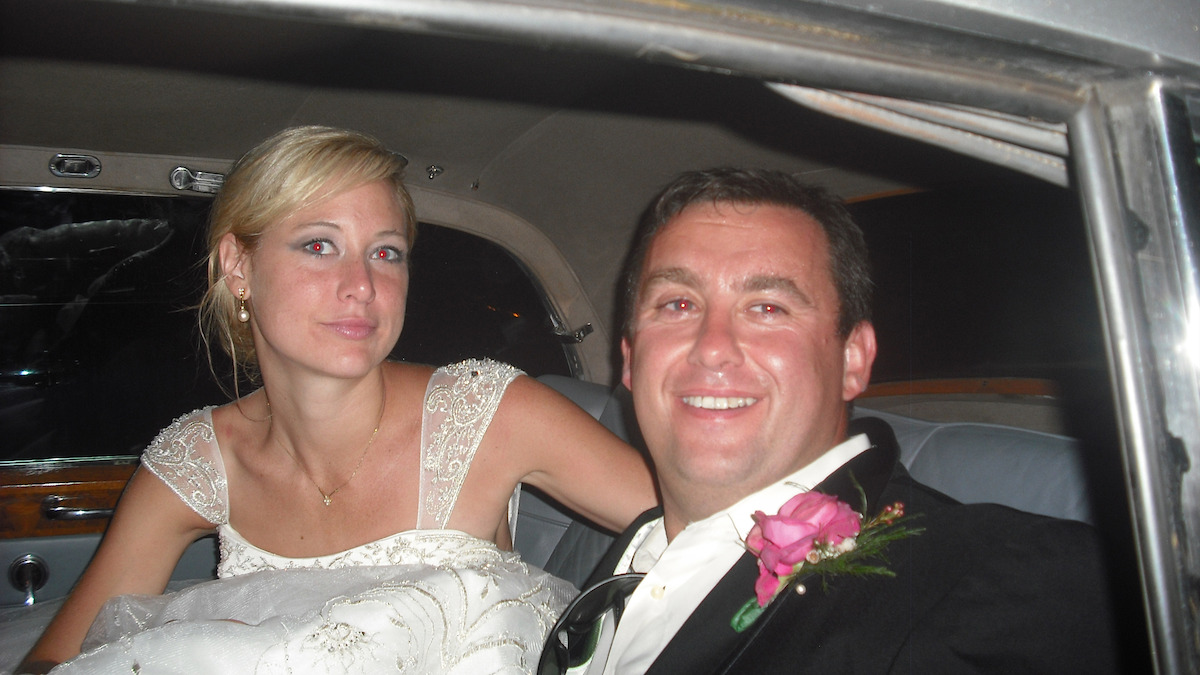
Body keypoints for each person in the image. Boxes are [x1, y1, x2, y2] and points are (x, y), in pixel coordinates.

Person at [15, 126, 656, 674]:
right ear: (239, 267)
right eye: (319, 246)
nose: (362, 285)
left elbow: (731, 543)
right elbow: (57, 661)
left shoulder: (489, 413)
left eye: (386, 252)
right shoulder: (195, 462)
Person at [540, 168, 1121, 674]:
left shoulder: (997, 580)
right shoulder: (631, 551)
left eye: (768, 308)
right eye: (678, 305)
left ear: (853, 360)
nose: (711, 348)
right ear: (631, 361)